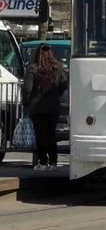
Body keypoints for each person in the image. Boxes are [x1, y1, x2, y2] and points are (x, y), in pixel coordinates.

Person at [22, 43, 68, 171]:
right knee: (51, 134)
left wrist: (25, 101)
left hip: (37, 107)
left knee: (40, 135)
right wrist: (56, 95)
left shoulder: (33, 69)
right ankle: (53, 161)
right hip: (53, 106)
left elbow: (27, 89)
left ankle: (43, 162)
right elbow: (64, 84)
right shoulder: (57, 68)